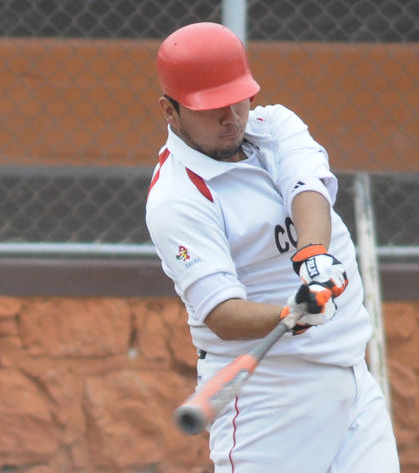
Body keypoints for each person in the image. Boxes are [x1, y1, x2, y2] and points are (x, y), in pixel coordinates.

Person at [146, 22, 400, 473]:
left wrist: (314, 259)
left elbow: (306, 187)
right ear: (170, 111)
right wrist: (292, 312)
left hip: (352, 375)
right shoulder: (176, 199)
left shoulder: (275, 125)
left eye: (236, 99)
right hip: (269, 397)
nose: (230, 118)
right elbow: (222, 314)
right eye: (210, 109)